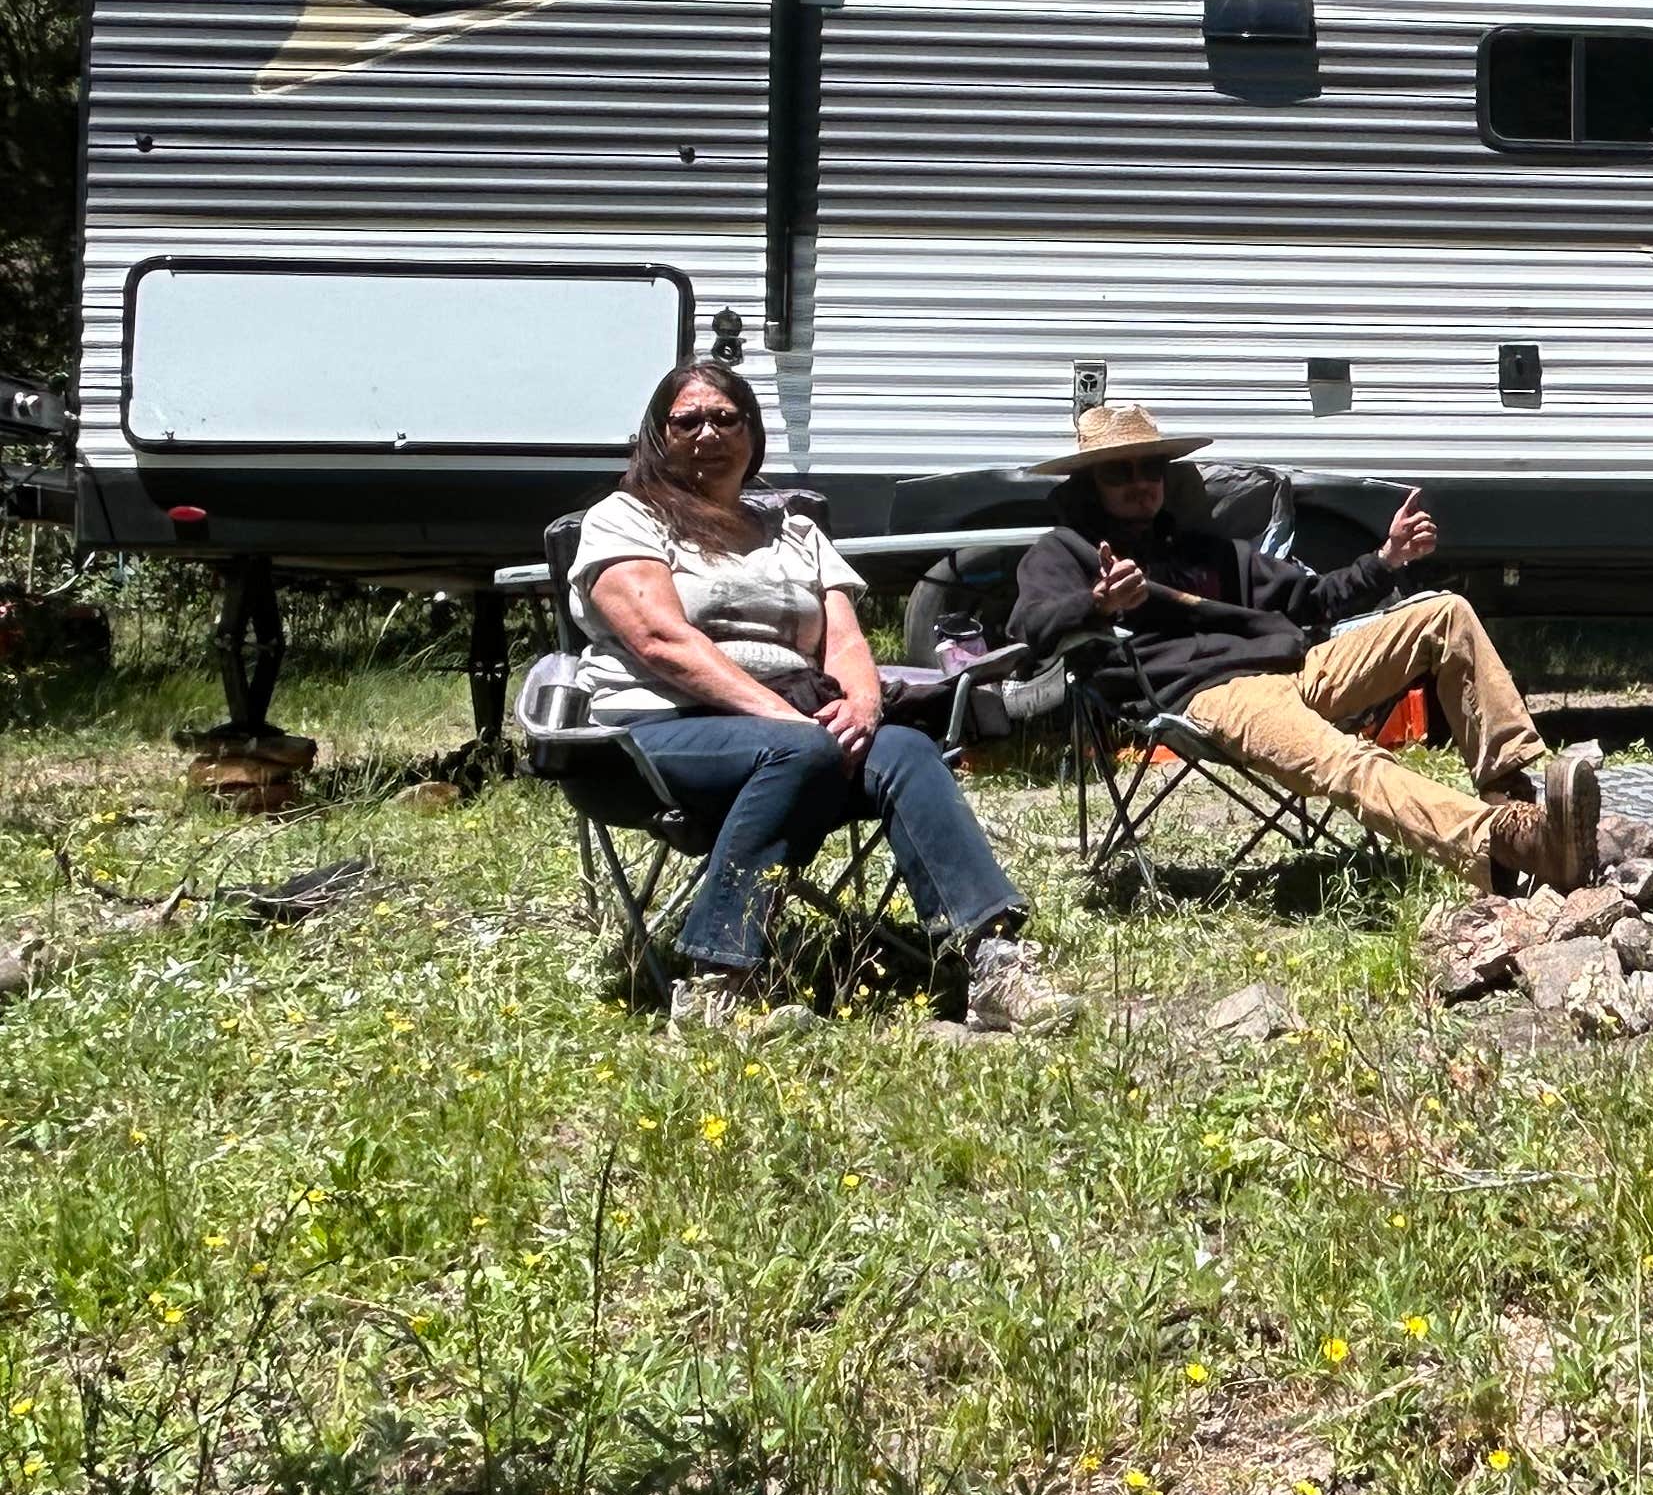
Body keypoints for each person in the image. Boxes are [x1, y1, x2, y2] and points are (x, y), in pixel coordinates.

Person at [571, 360, 1066, 1031]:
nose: (708, 433)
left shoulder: (795, 532)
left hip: (793, 733)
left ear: (752, 432)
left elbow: (846, 643)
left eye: (726, 418)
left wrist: (862, 709)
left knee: (904, 751)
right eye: (687, 420)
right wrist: (783, 719)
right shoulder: (625, 517)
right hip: (655, 731)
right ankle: (718, 988)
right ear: (659, 435)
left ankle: (993, 964)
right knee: (798, 749)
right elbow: (662, 640)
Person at [1004, 404, 1597, 893]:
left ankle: (1514, 799)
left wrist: (1386, 560)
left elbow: (1310, 598)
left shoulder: (1205, 549)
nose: (1140, 485)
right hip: (1210, 695)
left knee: (1446, 614)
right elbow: (1029, 625)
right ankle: (1500, 843)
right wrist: (1098, 604)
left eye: (1150, 470)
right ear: (1090, 485)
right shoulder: (1064, 552)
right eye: (1120, 473)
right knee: (1349, 759)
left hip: (1297, 664)